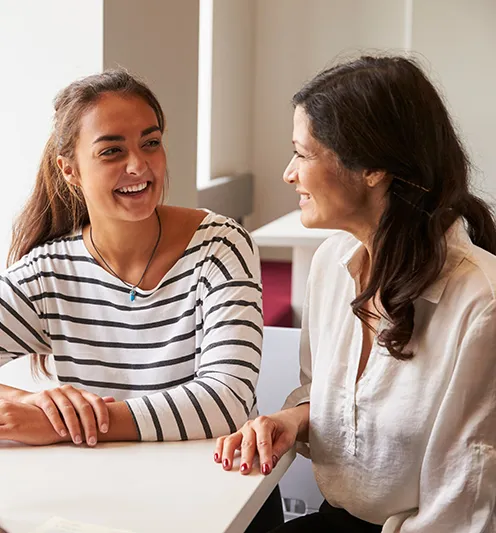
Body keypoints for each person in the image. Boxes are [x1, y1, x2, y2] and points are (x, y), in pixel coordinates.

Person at [215, 55, 496, 532]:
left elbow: (463, 509)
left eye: (303, 154)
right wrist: (294, 418)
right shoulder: (331, 263)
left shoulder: (480, 304)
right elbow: (333, 400)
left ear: (372, 168)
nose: (289, 173)